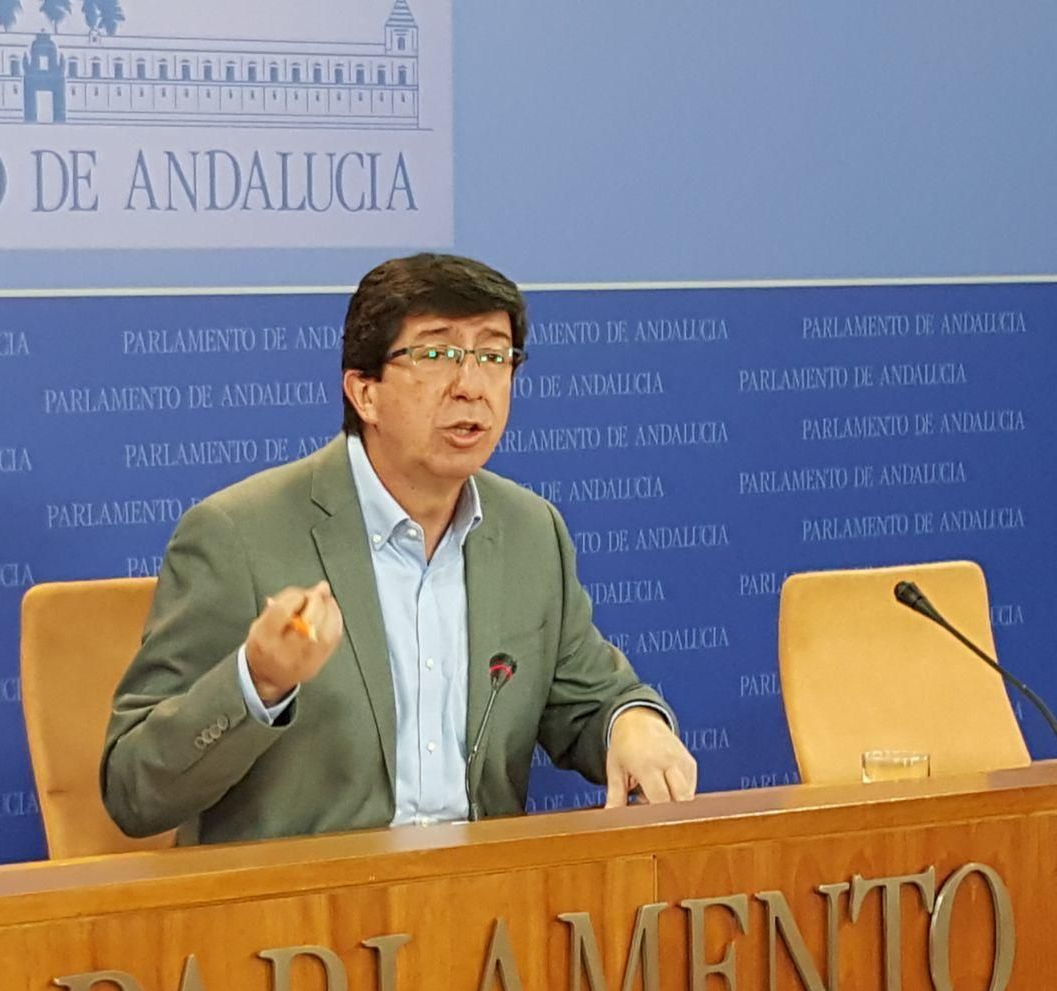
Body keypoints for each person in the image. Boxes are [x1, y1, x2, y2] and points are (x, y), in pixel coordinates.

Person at [102, 253, 697, 844]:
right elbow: (135, 789)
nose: (472, 387)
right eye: (437, 354)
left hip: (483, 911)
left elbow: (591, 696)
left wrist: (631, 723)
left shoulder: (529, 530)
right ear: (365, 393)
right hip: (303, 922)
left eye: (493, 355)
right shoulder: (237, 535)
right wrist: (258, 682)